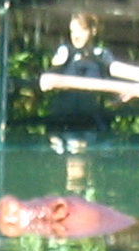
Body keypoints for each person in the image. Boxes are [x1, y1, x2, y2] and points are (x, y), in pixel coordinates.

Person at [45, 11, 115, 152]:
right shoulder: (65, 53)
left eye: (81, 30)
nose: (75, 36)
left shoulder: (102, 55)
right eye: (72, 31)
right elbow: (49, 77)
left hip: (92, 122)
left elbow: (114, 86)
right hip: (64, 120)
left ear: (93, 31)